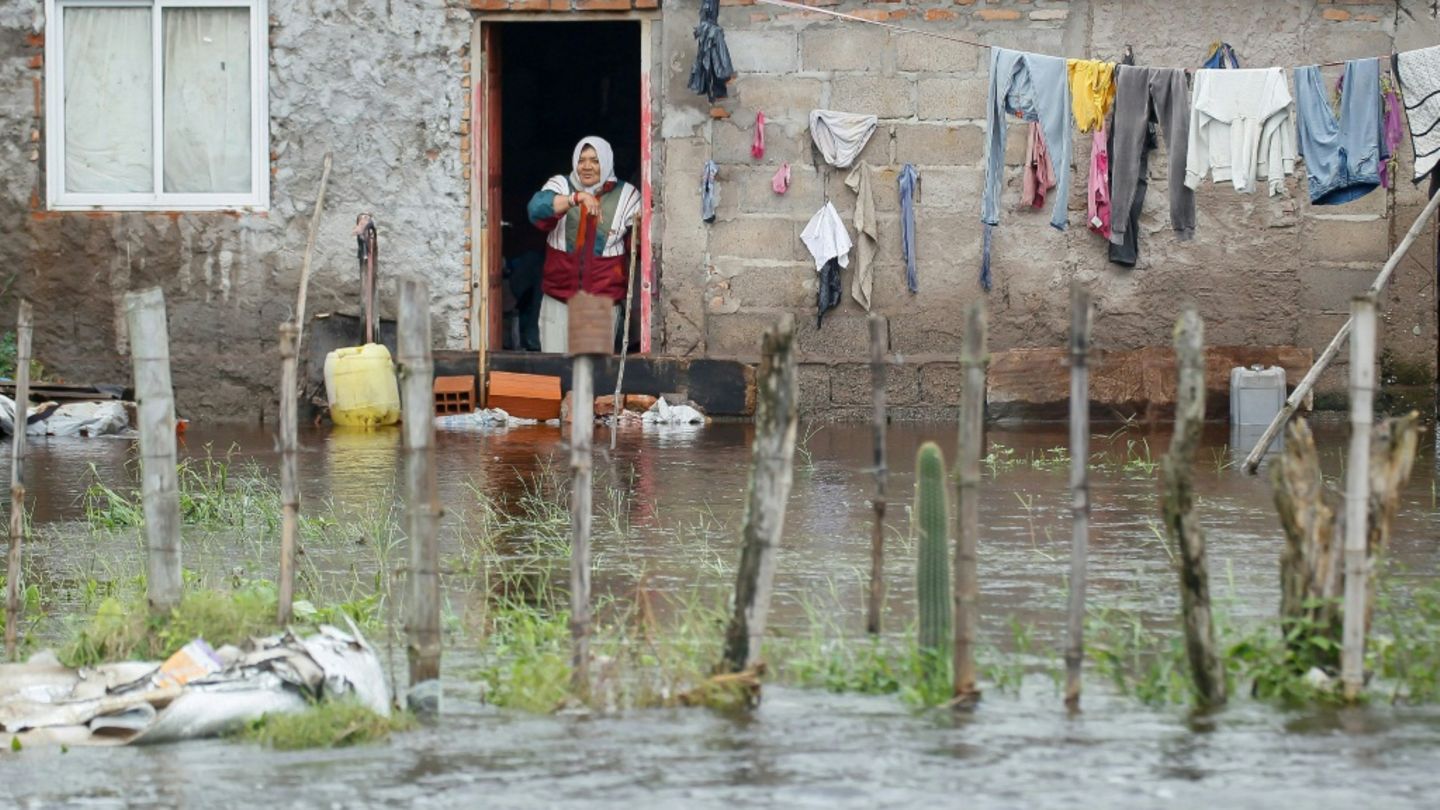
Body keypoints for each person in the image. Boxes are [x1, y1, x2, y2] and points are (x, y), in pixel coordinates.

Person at [526, 136, 641, 353]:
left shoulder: (627, 196)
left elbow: (640, 249)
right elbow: (536, 211)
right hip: (558, 299)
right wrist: (575, 198)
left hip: (600, 303)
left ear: (606, 162)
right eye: (582, 160)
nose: (587, 166)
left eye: (595, 161)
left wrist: (641, 228)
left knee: (591, 375)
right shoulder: (560, 185)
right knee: (555, 369)